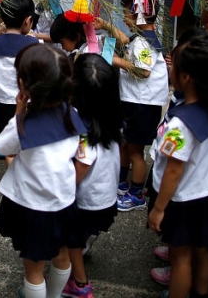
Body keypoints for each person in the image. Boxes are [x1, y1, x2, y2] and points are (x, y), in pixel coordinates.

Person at [0, 44, 85, 298]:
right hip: (64, 200)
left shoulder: (24, 124)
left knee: (34, 268)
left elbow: (1, 147)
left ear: (23, 85)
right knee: (62, 256)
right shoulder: (72, 114)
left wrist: (18, 113)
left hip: (32, 205)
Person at [147, 31, 208, 298]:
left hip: (186, 201)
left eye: (174, 65)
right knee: (203, 249)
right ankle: (202, 293)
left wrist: (159, 209)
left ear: (185, 77)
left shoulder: (180, 124)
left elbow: (174, 170)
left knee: (180, 257)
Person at [95, 0, 169, 212]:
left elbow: (143, 71)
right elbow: (126, 41)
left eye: (126, 13)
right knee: (125, 143)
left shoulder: (145, 42)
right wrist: (106, 26)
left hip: (142, 104)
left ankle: (136, 194)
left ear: (139, 14)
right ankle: (120, 182)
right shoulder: (142, 37)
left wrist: (113, 59)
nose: (124, 17)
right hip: (134, 101)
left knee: (135, 151)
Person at [62, 53, 123, 298]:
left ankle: (79, 284)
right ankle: (85, 244)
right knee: (86, 231)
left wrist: (62, 189)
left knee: (71, 240)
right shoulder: (112, 121)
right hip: (107, 197)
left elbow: (82, 167)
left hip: (87, 202)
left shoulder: (84, 131)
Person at [0, 0, 39, 156]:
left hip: (1, 103)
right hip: (24, 102)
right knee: (24, 137)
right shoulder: (34, 44)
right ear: (27, 21)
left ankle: (7, 144)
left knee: (7, 132)